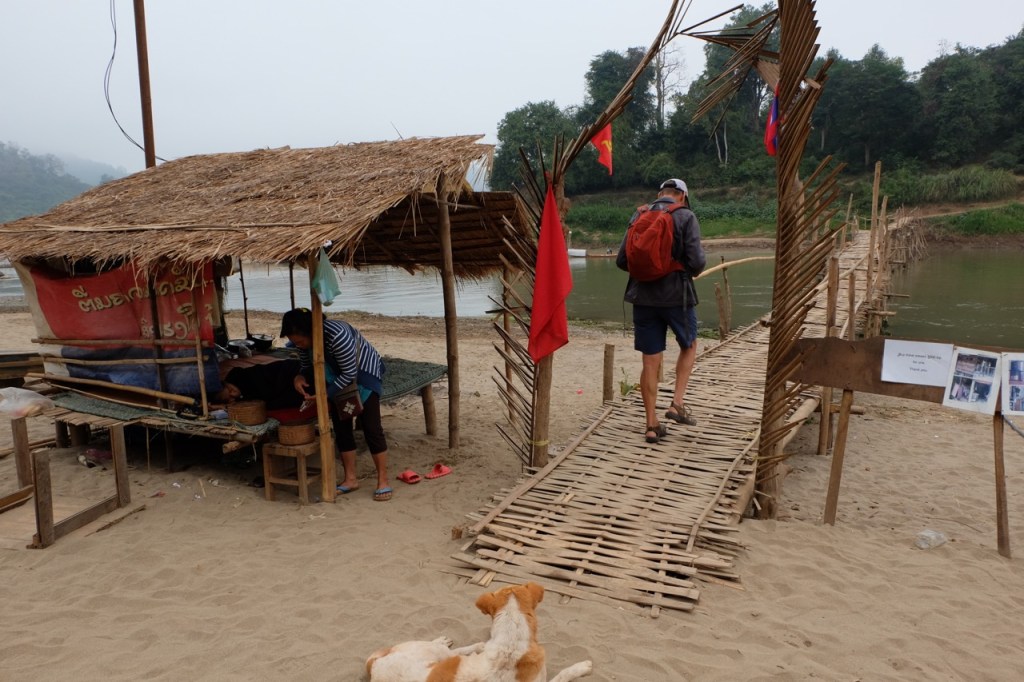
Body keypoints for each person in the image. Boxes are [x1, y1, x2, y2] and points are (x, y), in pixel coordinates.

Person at [616, 178, 706, 444]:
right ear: (683, 197)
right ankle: (676, 403)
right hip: (677, 297)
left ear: (659, 195)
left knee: (650, 361)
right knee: (689, 345)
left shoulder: (640, 214)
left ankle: (651, 425)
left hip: (642, 298)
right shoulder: (685, 216)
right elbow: (697, 262)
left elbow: (622, 260)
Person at [280, 308, 392, 501]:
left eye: (300, 341)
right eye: (295, 342)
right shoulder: (302, 343)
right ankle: (350, 479)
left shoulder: (337, 335)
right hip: (333, 378)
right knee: (341, 427)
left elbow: (349, 373)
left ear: (311, 331)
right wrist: (299, 378)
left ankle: (383, 480)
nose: (299, 345)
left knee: (371, 427)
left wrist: (323, 395)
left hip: (363, 373)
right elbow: (306, 367)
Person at [214, 359, 304, 410]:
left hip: (290, 373)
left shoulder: (246, 377)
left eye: (230, 390)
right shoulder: (243, 398)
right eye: (230, 398)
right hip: (283, 389)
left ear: (226, 383)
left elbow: (266, 397)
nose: (234, 394)